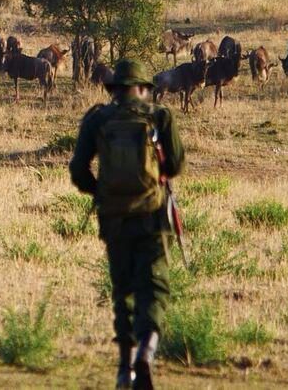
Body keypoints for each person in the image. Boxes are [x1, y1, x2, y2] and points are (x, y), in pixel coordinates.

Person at [68, 59, 186, 390]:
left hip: (114, 218)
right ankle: (146, 354)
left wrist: (103, 193)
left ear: (115, 89)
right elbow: (175, 165)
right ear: (145, 88)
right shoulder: (160, 116)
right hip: (152, 216)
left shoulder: (98, 119)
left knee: (123, 292)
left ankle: (124, 368)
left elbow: (78, 170)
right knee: (154, 287)